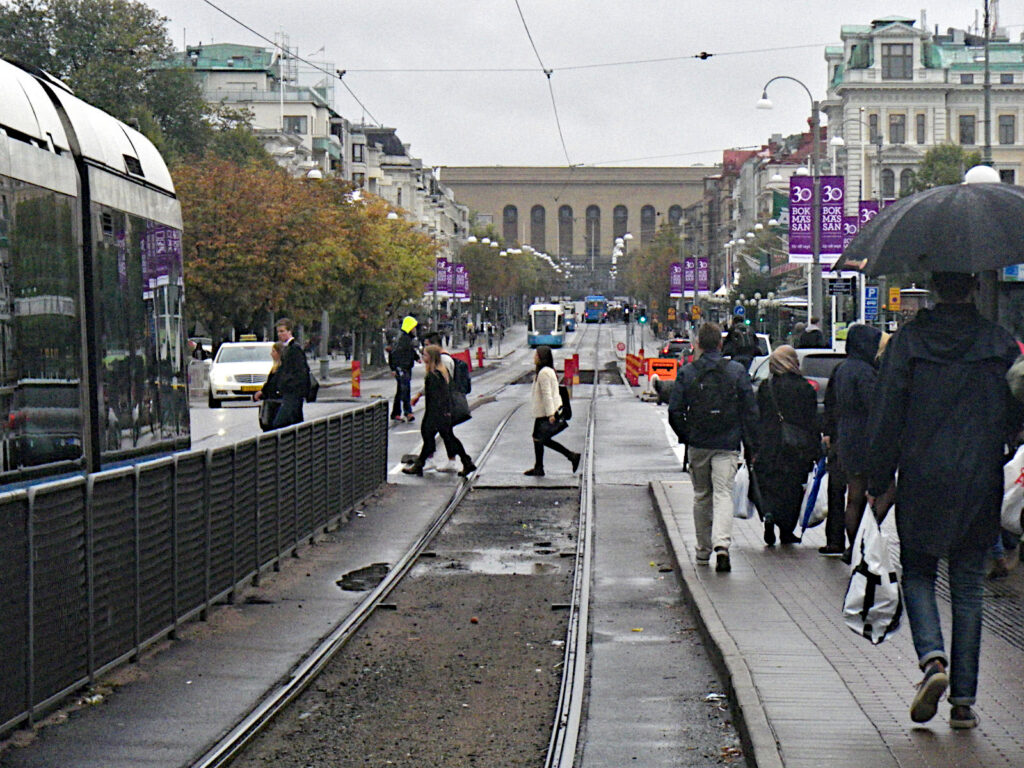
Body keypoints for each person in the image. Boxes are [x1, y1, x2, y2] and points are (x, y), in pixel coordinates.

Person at [867, 271, 1024, 730]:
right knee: (969, 587)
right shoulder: (1000, 344)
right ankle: (963, 702)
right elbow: (1016, 413)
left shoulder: (908, 343)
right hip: (978, 477)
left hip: (921, 474)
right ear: (974, 287)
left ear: (934, 290)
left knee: (917, 570)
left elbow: (887, 411)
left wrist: (880, 476)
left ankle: (933, 660)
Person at [668, 322, 759, 572]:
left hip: (699, 443)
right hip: (727, 443)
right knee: (722, 493)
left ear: (697, 345)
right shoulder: (737, 371)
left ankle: (702, 550)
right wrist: (750, 442)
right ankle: (722, 547)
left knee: (701, 495)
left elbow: (674, 410)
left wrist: (687, 435)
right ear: (720, 344)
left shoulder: (688, 372)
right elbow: (750, 411)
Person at [833, 323, 889, 562]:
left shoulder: (843, 369)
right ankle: (865, 540)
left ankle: (853, 545)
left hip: (846, 435)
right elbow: (874, 405)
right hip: (865, 437)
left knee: (853, 495)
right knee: (886, 490)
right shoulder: (865, 371)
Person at [753, 345, 818, 545]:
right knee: (792, 488)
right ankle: (786, 530)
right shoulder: (804, 388)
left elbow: (758, 417)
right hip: (795, 446)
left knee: (771, 484)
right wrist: (814, 449)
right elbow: (811, 420)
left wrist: (755, 446)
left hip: (770, 443)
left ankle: (769, 515)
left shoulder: (766, 387)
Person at [402, 345, 476, 477]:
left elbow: (440, 396)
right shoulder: (437, 372)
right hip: (440, 413)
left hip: (437, 413)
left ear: (430, 357)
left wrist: (440, 414)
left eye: (424, 355)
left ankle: (420, 464)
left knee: (439, 437)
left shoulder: (435, 375)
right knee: (441, 438)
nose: (422, 357)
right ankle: (466, 462)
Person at [524, 345, 580, 477]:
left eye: (536, 355)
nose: (534, 357)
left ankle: (571, 456)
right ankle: (539, 467)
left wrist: (550, 414)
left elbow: (547, 394)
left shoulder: (544, 373)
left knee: (541, 439)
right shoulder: (548, 371)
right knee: (539, 438)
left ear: (541, 357)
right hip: (544, 412)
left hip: (545, 412)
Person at [818, 360, 848, 555]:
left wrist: (828, 432)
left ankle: (835, 539)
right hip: (861, 441)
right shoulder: (871, 371)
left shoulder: (840, 370)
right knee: (859, 493)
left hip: (839, 439)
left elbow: (829, 404)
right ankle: (861, 541)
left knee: (836, 490)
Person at [256, 318, 309, 428]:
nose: (280, 334)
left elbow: (300, 372)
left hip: (292, 393)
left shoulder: (294, 349)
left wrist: (289, 385)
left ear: (289, 331)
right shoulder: (288, 348)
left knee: (280, 423)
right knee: (294, 423)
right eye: (278, 332)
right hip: (289, 393)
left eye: (282, 331)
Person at [389, 316, 419, 423]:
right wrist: (394, 368)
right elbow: (393, 353)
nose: (415, 330)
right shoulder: (403, 338)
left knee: (401, 390)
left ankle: (396, 413)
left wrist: (417, 358)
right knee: (405, 389)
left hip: (404, 367)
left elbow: (410, 351)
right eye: (413, 327)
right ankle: (408, 412)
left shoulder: (405, 337)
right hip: (402, 368)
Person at [253, 342, 284, 431]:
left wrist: (264, 392)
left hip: (275, 403)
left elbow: (273, 385)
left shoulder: (281, 369)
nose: (271, 354)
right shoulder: (275, 367)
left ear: (279, 353)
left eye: (273, 351)